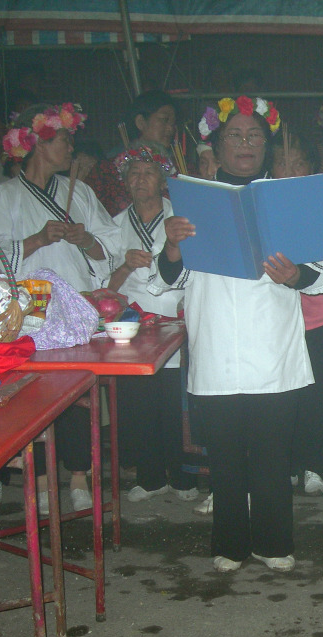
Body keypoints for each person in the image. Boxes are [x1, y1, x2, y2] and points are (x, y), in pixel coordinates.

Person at [160, 96, 323, 573]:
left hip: (272, 346)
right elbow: (170, 280)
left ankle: (274, 542)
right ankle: (230, 543)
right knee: (225, 453)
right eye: (235, 136)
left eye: (254, 136)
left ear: (267, 144)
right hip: (216, 343)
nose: (245, 143)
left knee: (273, 453)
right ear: (216, 145)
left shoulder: (286, 198)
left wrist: (293, 275)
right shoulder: (192, 199)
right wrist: (173, 245)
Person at [0, 102, 122, 512]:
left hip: (76, 309)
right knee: (35, 398)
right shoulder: (5, 195)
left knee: (78, 393)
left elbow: (108, 246)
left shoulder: (81, 192)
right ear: (38, 145)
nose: (70, 148)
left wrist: (86, 241)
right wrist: (39, 239)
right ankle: (41, 481)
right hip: (30, 315)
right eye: (63, 140)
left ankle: (79, 475)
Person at [107, 143, 198, 504]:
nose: (140, 179)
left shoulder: (181, 219)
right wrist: (126, 264)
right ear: (124, 182)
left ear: (163, 179)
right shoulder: (113, 226)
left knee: (175, 402)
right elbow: (106, 286)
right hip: (131, 327)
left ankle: (183, 476)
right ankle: (149, 475)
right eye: (133, 174)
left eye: (148, 172)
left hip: (175, 322)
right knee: (138, 402)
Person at [271, 131, 323, 495]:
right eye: (282, 163)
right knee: (284, 397)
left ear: (309, 167)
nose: (289, 169)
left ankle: (314, 464)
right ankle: (286, 463)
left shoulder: (320, 205)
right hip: (276, 321)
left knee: (317, 395)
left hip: (318, 318)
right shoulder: (264, 207)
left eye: (297, 162)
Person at [85, 90, 177, 216]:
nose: (170, 128)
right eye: (164, 120)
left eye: (173, 123)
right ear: (141, 122)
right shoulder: (106, 170)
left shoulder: (178, 169)